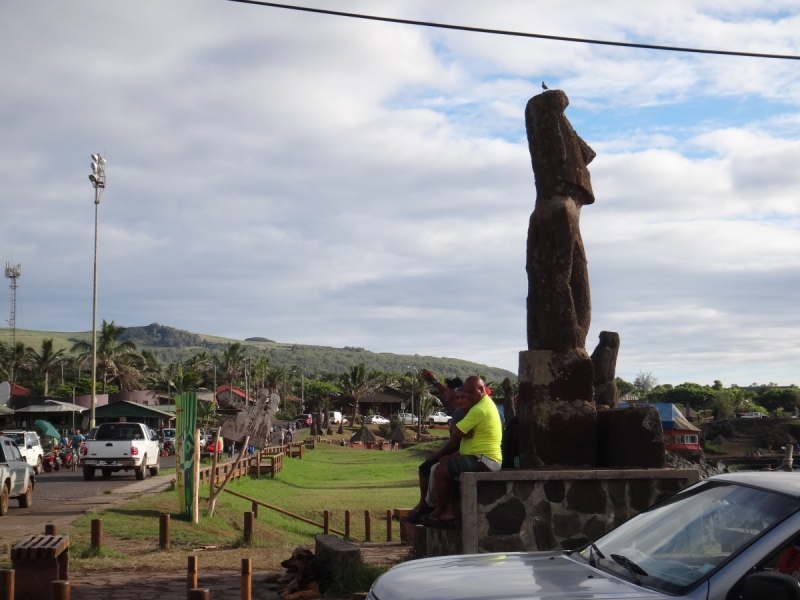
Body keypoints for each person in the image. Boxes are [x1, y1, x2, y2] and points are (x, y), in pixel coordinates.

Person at [424, 375, 502, 527]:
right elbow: (460, 431)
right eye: (465, 392)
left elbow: (456, 434)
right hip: (476, 456)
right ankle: (449, 510)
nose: (467, 395)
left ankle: (439, 509)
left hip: (483, 459)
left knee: (440, 471)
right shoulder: (481, 404)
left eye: (470, 392)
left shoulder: (480, 409)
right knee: (446, 467)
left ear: (481, 390)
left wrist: (459, 431)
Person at [407, 371, 465, 524]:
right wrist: (434, 381)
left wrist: (437, 455)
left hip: (463, 453)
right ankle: (426, 504)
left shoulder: (461, 413)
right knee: (429, 467)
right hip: (462, 452)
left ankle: (436, 507)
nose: (444, 393)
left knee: (435, 468)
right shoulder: (459, 408)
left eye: (448, 390)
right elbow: (448, 394)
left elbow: (454, 441)